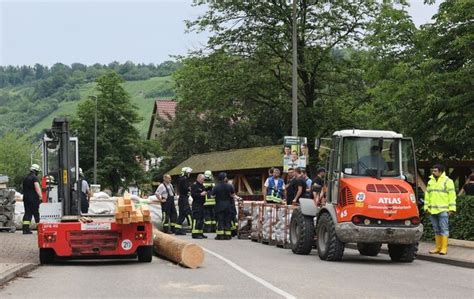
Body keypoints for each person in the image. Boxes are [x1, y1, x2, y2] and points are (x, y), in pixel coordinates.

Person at [425, 164, 456, 255]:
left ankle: (444, 248)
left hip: (443, 210)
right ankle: (438, 248)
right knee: (436, 230)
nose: (433, 172)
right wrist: (426, 207)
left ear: (441, 172)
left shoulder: (448, 181)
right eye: (432, 170)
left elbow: (452, 196)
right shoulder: (431, 181)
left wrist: (452, 209)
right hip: (432, 210)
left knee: (444, 229)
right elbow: (427, 195)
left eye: (435, 171)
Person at [212, 172, 236, 240]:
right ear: (224, 178)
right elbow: (233, 195)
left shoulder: (216, 187)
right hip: (228, 205)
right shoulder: (229, 186)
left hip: (219, 205)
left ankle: (220, 235)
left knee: (220, 220)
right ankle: (228, 235)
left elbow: (212, 195)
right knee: (227, 220)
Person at [22, 164, 42, 234]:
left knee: (27, 213)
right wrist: (41, 196)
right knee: (36, 213)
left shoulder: (25, 177)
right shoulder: (34, 178)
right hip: (33, 198)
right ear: (36, 171)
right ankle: (40, 229)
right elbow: (37, 188)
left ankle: (25, 229)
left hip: (26, 198)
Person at [175, 167, 193, 235]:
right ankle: (193, 228)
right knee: (188, 213)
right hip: (184, 199)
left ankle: (177, 229)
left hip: (181, 199)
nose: (189, 174)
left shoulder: (180, 179)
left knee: (181, 215)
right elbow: (186, 188)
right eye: (188, 173)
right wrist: (190, 188)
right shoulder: (184, 179)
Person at [191, 174, 207, 239]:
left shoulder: (202, 186)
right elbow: (193, 195)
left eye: (203, 179)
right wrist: (200, 194)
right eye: (202, 179)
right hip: (196, 204)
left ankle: (200, 232)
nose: (203, 181)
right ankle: (195, 233)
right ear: (198, 178)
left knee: (201, 219)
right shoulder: (194, 185)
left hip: (201, 204)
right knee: (196, 219)